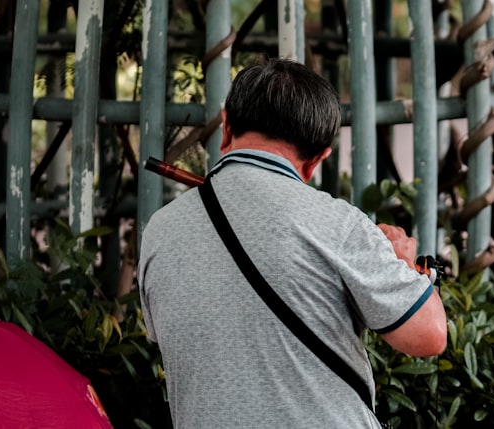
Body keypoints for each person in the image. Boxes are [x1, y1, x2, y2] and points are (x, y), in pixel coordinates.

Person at [138, 58, 447, 428]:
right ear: (317, 159)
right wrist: (402, 263)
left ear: (225, 127)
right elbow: (429, 336)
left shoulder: (160, 229)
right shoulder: (339, 224)